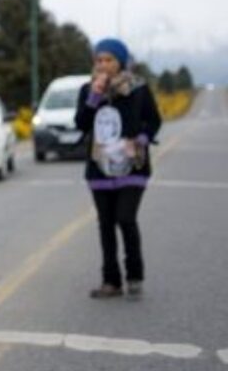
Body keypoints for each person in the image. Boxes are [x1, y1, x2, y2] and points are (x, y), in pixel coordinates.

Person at [74, 37, 161, 299]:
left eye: (109, 60)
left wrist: (141, 140)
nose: (103, 65)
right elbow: (81, 123)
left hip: (132, 167)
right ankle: (111, 281)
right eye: (99, 60)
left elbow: (153, 120)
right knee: (105, 224)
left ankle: (134, 275)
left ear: (120, 62)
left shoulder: (138, 89)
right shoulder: (87, 90)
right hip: (100, 168)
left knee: (125, 218)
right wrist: (95, 96)